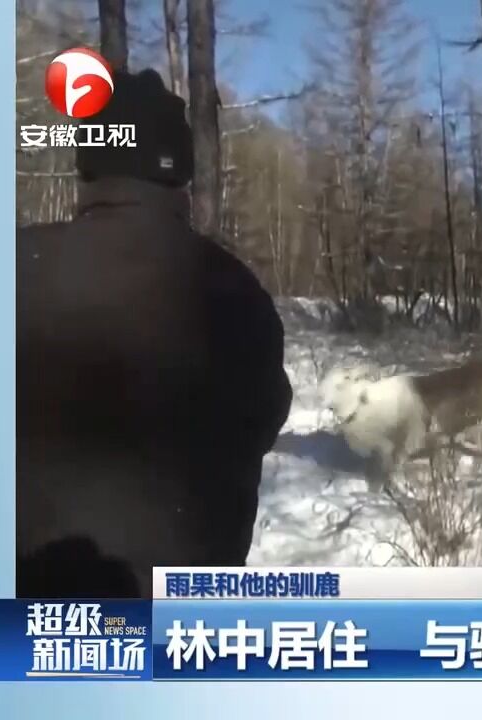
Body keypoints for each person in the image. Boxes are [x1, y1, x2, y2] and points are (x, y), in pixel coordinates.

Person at [16, 69, 293, 598]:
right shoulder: (235, 292)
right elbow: (261, 421)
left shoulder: (1, 270)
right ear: (178, 173)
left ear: (88, 167)